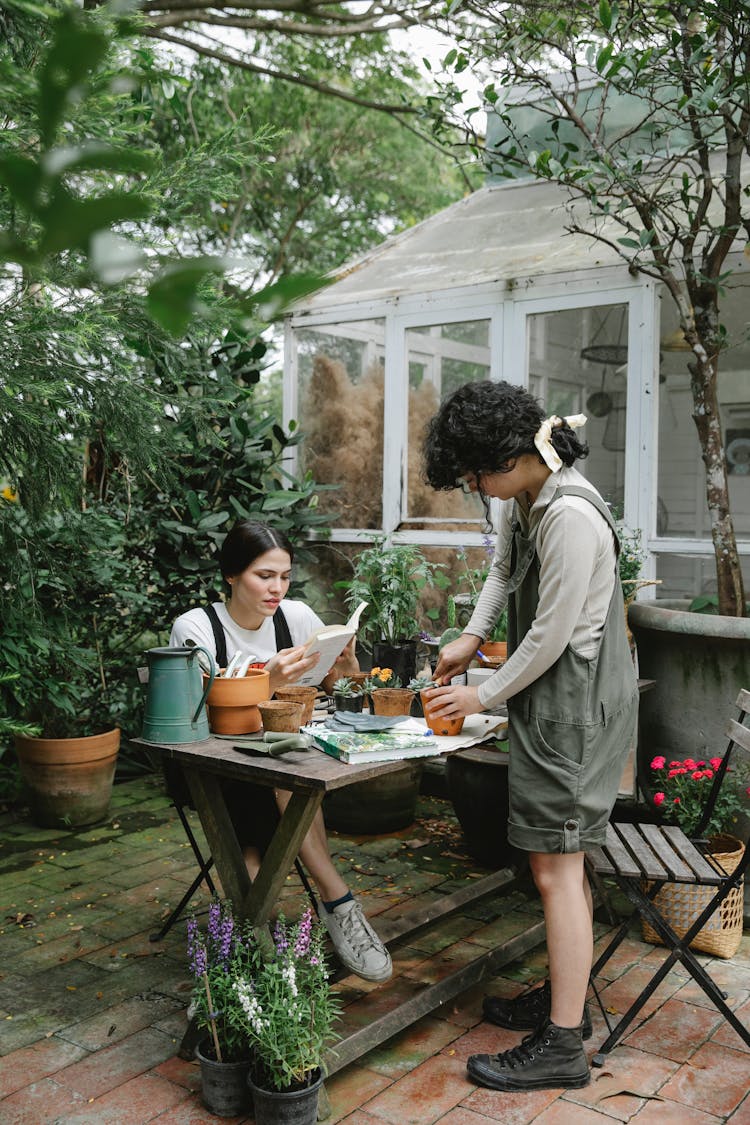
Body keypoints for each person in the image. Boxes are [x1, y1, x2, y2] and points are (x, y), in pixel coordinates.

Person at [422, 381, 638, 1092]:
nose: (477, 488)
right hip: (552, 702)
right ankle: (562, 998)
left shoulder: (570, 516)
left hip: (572, 704)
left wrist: (481, 690)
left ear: (512, 455)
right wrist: (472, 636)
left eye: (477, 475)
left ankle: (563, 1044)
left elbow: (548, 635)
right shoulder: (529, 497)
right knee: (554, 863)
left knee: (558, 868)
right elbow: (501, 572)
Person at [170, 519, 392, 984]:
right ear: (231, 575)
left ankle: (253, 945)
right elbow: (192, 711)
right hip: (214, 764)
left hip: (284, 754)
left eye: (285, 576)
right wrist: (265, 680)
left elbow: (334, 687)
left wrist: (346, 663)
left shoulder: (297, 618)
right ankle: (339, 905)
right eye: (264, 576)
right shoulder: (197, 627)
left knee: (281, 799)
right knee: (290, 781)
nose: (277, 588)